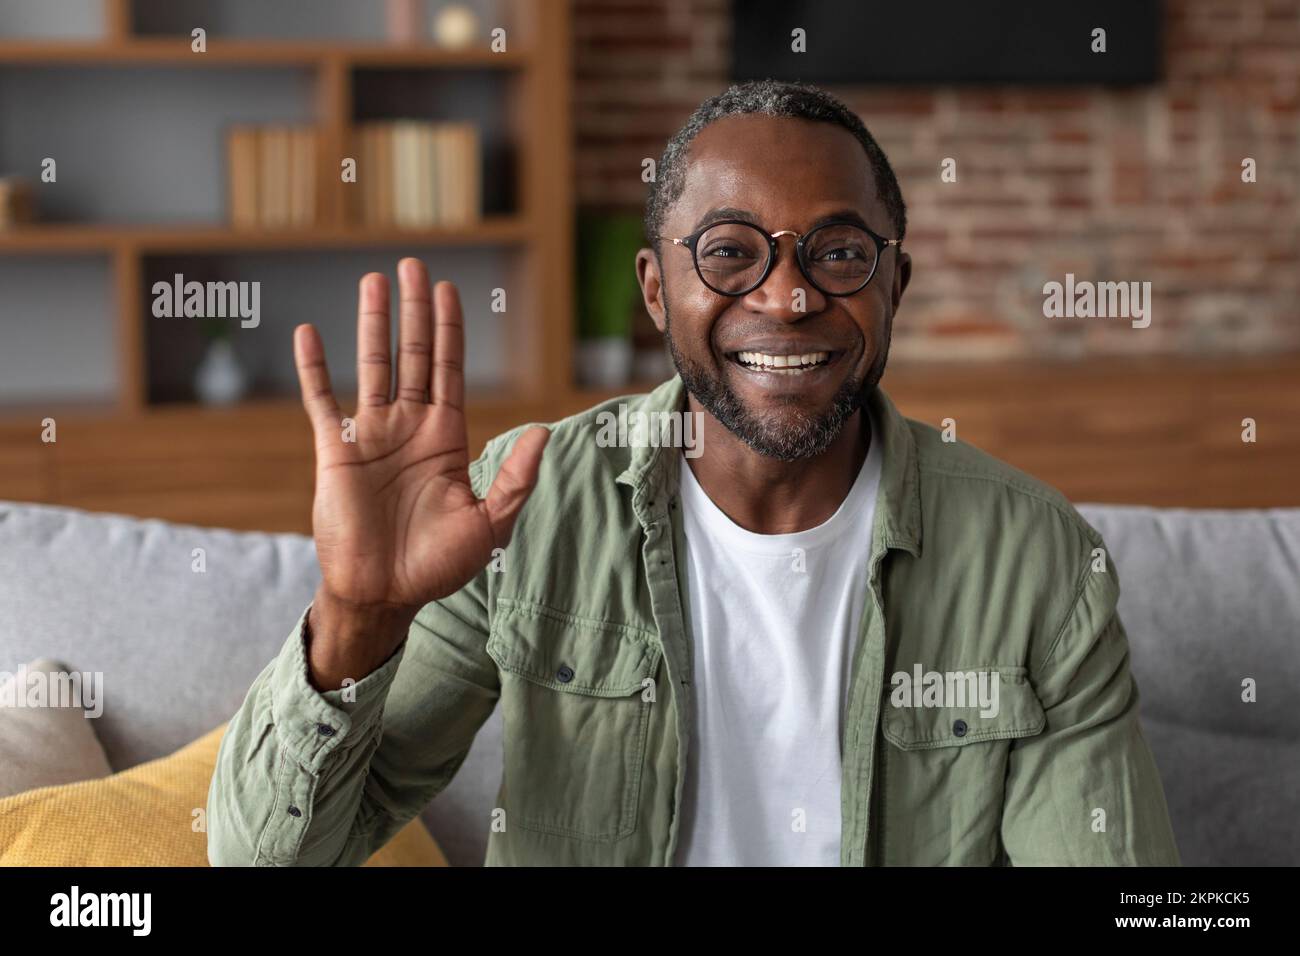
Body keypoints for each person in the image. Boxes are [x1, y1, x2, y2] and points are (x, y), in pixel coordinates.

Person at [207, 79, 1180, 866]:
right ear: (653, 289)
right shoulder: (530, 502)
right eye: (728, 253)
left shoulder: (1033, 554)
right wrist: (357, 616)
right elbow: (269, 857)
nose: (788, 294)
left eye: (839, 251)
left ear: (894, 283)